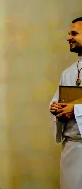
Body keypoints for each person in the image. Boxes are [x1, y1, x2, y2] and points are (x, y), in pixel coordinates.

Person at [49, 17, 82, 189]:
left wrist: (75, 110)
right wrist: (57, 110)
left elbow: (74, 108)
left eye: (74, 33)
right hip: (71, 149)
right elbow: (58, 101)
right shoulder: (68, 73)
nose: (68, 38)